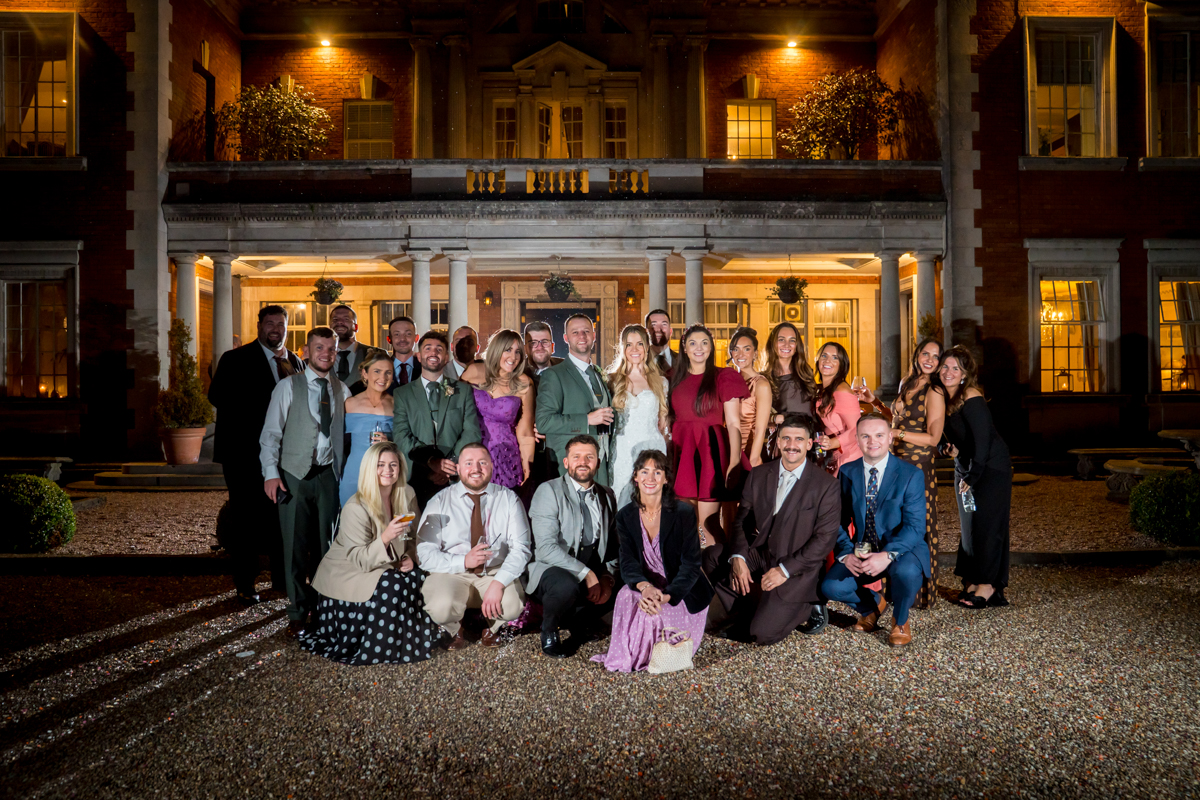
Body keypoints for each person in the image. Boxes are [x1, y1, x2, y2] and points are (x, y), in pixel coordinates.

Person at [300, 442, 439, 664]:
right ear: (369, 469)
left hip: (388, 563)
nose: (388, 470)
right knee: (393, 583)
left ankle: (408, 643)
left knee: (417, 576)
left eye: (393, 465)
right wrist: (386, 537)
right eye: (380, 465)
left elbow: (417, 536)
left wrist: (411, 556)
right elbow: (359, 559)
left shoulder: (407, 493)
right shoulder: (355, 506)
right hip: (349, 573)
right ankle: (381, 647)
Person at [713, 414, 840, 645]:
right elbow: (742, 519)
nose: (792, 445)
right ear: (778, 441)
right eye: (787, 439)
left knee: (761, 634)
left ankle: (807, 607)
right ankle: (750, 605)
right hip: (760, 555)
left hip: (795, 566)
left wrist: (784, 570)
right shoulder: (760, 474)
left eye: (799, 439)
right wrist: (738, 556)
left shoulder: (826, 485)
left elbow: (824, 540)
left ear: (809, 444)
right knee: (712, 556)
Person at [259, 326, 351, 636]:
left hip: (329, 475)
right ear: (306, 351)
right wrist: (270, 474)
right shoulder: (288, 387)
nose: (325, 353)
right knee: (294, 547)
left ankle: (324, 609)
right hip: (294, 476)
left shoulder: (344, 390)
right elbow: (270, 434)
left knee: (327, 546)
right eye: (319, 348)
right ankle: (297, 612)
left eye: (331, 348)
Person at [208, 304, 303, 604]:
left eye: (281, 324)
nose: (275, 329)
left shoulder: (295, 362)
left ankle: (280, 579)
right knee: (246, 519)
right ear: (259, 325)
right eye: (270, 323)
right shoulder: (235, 359)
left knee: (280, 518)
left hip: (284, 457)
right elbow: (218, 396)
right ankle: (245, 584)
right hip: (244, 456)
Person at [592, 450, 712, 672]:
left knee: (652, 617)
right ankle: (630, 656)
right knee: (626, 595)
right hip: (646, 584)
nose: (650, 478)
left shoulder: (684, 513)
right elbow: (627, 563)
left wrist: (667, 596)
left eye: (657, 472)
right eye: (644, 471)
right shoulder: (625, 516)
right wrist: (645, 587)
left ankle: (656, 657)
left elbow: (691, 565)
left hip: (680, 590)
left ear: (666, 479)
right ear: (635, 477)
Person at [820, 414, 931, 647]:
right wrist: (845, 553)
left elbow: (915, 526)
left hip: (901, 549)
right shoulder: (847, 471)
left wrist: (887, 555)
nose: (873, 441)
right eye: (865, 436)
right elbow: (837, 520)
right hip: (863, 547)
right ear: (858, 440)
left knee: (908, 573)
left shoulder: (911, 474)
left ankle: (900, 620)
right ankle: (871, 607)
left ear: (890, 438)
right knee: (831, 586)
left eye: (879, 435)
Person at [417, 444, 532, 650]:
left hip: (493, 571)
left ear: (491, 466)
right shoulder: (439, 501)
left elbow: (521, 548)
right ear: (458, 469)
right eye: (468, 463)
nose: (476, 468)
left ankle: (493, 626)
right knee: (440, 607)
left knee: (512, 605)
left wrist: (499, 583)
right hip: (451, 572)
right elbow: (424, 554)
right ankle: (454, 627)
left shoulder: (508, 499)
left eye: (482, 462)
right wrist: (463, 561)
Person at [860, 337, 946, 609]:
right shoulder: (907, 382)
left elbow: (933, 438)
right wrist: (874, 402)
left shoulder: (935, 391)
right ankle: (892, 589)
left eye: (935, 356)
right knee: (891, 521)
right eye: (925, 353)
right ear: (917, 354)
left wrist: (897, 433)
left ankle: (919, 593)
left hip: (918, 464)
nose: (929, 359)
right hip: (894, 459)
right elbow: (894, 417)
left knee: (916, 524)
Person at [527, 435, 619, 658]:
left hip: (591, 564)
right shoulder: (549, 491)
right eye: (576, 457)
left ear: (597, 462)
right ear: (566, 462)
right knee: (566, 586)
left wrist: (607, 578)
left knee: (628, 582)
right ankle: (549, 631)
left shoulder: (607, 494)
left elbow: (613, 546)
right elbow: (546, 549)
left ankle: (580, 621)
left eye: (590, 457)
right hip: (552, 568)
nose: (583, 462)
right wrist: (586, 574)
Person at [667, 323, 747, 567]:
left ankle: (716, 575)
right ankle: (692, 575)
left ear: (712, 347)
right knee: (686, 523)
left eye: (704, 342)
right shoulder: (673, 377)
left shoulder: (724, 376)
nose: (699, 348)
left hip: (710, 453)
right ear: (684, 347)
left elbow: (733, 423)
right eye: (693, 343)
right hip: (682, 454)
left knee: (706, 525)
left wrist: (733, 463)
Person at [938, 345, 1011, 609]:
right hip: (966, 466)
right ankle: (971, 578)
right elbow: (946, 435)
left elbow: (983, 440)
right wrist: (945, 448)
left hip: (990, 468)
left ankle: (989, 585)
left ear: (965, 373)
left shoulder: (971, 395)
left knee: (988, 525)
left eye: (955, 368)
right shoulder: (941, 397)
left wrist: (974, 474)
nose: (948, 372)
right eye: (945, 366)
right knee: (969, 527)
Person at [392, 330, 483, 506]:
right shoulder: (402, 394)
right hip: (416, 475)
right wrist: (430, 462)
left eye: (439, 349)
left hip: (454, 475)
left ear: (446, 356)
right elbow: (401, 435)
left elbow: (471, 431)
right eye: (428, 348)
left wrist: (449, 465)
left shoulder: (462, 390)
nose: (433, 353)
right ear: (418, 356)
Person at [536, 313, 614, 486]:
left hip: (602, 464)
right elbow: (544, 422)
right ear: (566, 338)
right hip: (570, 466)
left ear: (594, 336)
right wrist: (587, 419)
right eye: (575, 332)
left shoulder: (600, 374)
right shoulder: (554, 375)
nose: (582, 336)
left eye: (586, 331)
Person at [460, 329, 537, 489]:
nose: (513, 357)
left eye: (518, 352)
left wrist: (527, 465)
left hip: (506, 455)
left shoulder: (524, 383)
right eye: (508, 350)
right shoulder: (473, 372)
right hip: (473, 451)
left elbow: (525, 432)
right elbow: (456, 413)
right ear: (496, 350)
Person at [607, 324, 669, 505]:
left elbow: (664, 422)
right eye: (629, 344)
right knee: (621, 500)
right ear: (622, 348)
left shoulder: (661, 382)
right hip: (622, 450)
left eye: (639, 344)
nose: (634, 349)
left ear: (647, 347)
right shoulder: (612, 380)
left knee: (650, 502)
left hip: (652, 446)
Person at [340, 348, 395, 507]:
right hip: (354, 472)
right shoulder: (350, 403)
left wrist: (389, 441)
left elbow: (404, 440)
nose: (382, 377)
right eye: (377, 371)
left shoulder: (397, 404)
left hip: (384, 473)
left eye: (388, 372)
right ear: (365, 373)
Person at [812, 342, 862, 474]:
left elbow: (857, 429)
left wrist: (834, 442)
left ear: (841, 365)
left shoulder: (842, 391)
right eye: (824, 355)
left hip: (849, 457)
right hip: (831, 455)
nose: (828, 360)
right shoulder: (823, 390)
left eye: (835, 357)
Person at [728, 327, 772, 468]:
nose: (740, 354)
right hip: (727, 451)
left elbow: (760, 429)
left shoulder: (761, 385)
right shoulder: (729, 382)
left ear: (755, 354)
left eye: (746, 349)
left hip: (748, 452)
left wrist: (753, 459)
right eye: (736, 349)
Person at [764, 322, 817, 429]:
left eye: (792, 340)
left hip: (808, 438)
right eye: (781, 339)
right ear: (772, 343)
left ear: (797, 346)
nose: (786, 345)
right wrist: (773, 419)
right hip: (782, 439)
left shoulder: (807, 374)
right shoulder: (764, 379)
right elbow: (754, 416)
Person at [329, 305, 371, 392]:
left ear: (356, 327)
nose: (340, 322)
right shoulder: (320, 356)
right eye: (335, 319)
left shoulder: (375, 354)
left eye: (346, 319)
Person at [387, 316, 419, 390]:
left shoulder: (425, 368)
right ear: (389, 339)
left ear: (416, 338)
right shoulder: (381, 368)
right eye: (397, 334)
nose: (402, 339)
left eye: (408, 334)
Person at [645, 308, 677, 378]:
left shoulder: (683, 361)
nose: (658, 329)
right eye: (653, 324)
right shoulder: (639, 361)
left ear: (671, 331)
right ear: (646, 332)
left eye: (664, 324)